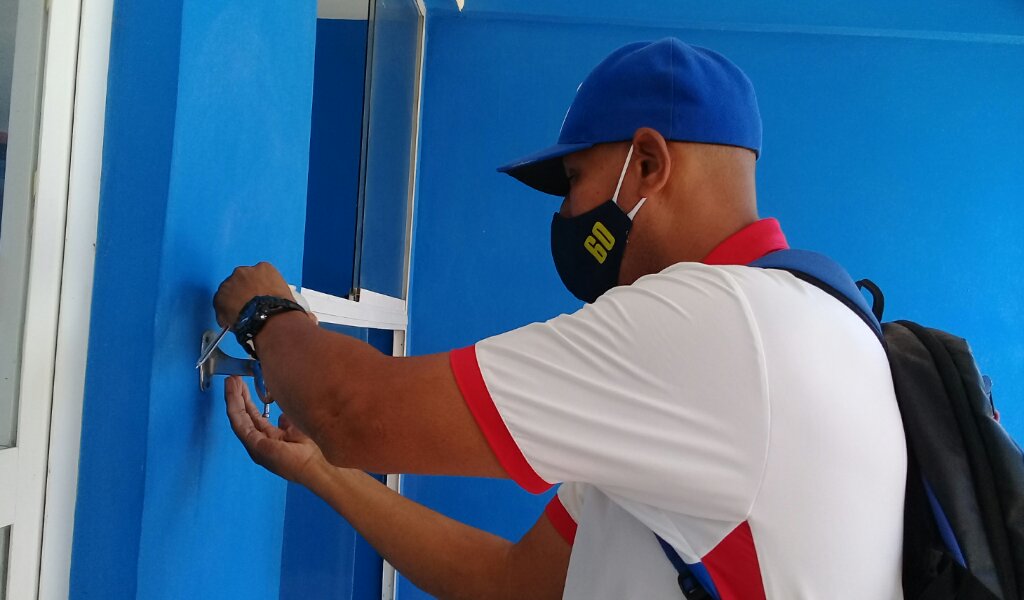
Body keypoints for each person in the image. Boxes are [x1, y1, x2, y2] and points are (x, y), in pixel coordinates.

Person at [214, 38, 906, 599]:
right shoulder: (817, 323)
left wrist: (269, 314)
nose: (567, 216)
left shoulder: (715, 327)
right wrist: (320, 471)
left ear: (647, 164)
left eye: (575, 181)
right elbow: (517, 584)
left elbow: (353, 411)